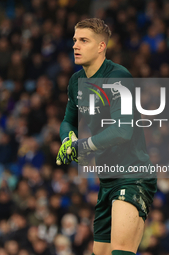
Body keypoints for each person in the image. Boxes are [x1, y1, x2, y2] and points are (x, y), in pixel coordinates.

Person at [56, 18, 157, 255]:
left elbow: (123, 130)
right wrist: (67, 140)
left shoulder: (118, 77)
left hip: (133, 174)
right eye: (74, 40)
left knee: (121, 251)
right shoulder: (76, 81)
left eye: (83, 40)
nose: (75, 46)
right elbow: (68, 121)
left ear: (101, 46)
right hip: (108, 178)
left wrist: (84, 145)